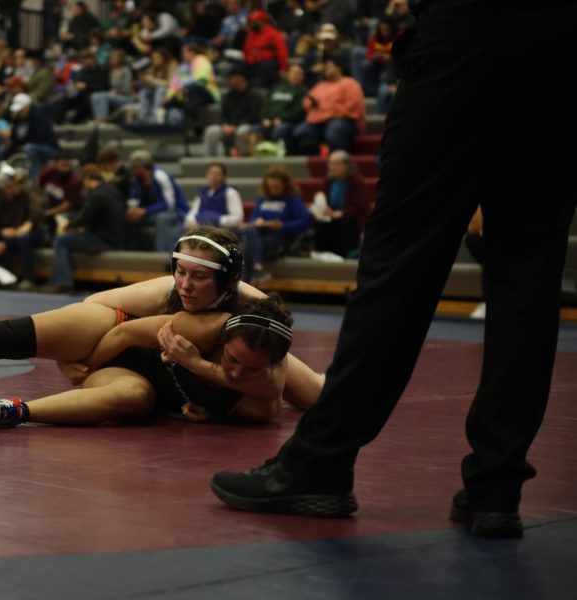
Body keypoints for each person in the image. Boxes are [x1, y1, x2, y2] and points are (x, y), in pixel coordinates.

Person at [209, 0, 577, 539]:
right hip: (564, 50)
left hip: (469, 39)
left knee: (401, 264)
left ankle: (320, 463)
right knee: (529, 274)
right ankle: (496, 488)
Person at [0, 226, 326, 412]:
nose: (185, 285)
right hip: (116, 335)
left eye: (199, 278)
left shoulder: (247, 310)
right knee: (9, 335)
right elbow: (106, 316)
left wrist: (205, 369)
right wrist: (73, 358)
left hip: (157, 368)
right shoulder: (159, 293)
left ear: (228, 282)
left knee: (315, 397)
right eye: (180, 272)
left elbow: (278, 390)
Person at [0, 294, 297, 430]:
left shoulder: (261, 403)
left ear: (272, 365)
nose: (237, 372)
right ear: (223, 341)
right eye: (232, 359)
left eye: (251, 369)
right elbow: (123, 334)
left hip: (156, 396)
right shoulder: (198, 328)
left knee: (144, 400)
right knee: (136, 396)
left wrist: (210, 405)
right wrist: (85, 367)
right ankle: (16, 410)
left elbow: (264, 394)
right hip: (127, 362)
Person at [44, 165, 126, 293]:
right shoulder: (111, 191)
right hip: (113, 237)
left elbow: (83, 219)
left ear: (87, 179)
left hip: (102, 239)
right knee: (65, 242)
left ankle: (63, 282)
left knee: (60, 241)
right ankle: (57, 281)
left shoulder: (96, 195)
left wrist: (68, 226)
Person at [239, 165, 312, 284]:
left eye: (276, 187)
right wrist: (256, 222)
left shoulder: (292, 199)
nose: (273, 189)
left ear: (284, 185)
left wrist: (283, 225)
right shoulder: (262, 198)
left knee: (246, 246)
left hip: (280, 237)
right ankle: (257, 269)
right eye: (271, 187)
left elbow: (304, 221)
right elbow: (253, 217)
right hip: (260, 235)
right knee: (250, 234)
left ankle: (246, 283)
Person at [290, 58, 365, 155]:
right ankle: (317, 159)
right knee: (301, 131)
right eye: (325, 68)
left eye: (329, 67)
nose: (326, 70)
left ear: (339, 68)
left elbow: (352, 105)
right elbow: (307, 102)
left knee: (334, 130)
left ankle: (340, 160)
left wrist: (327, 110)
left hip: (344, 121)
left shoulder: (350, 83)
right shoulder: (320, 85)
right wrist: (319, 107)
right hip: (318, 122)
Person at [311, 149, 371, 258]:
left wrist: (341, 213)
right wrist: (323, 208)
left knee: (345, 222)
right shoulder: (328, 181)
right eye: (330, 163)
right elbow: (321, 197)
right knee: (321, 222)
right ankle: (322, 253)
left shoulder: (357, 182)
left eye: (335, 164)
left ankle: (348, 253)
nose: (331, 167)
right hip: (331, 214)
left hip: (350, 217)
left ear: (347, 165)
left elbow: (360, 207)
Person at [125, 149, 189, 252]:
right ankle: (132, 253)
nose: (132, 170)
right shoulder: (135, 179)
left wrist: (145, 211)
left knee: (162, 218)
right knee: (130, 217)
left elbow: (169, 204)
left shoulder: (161, 176)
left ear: (142, 167)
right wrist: (133, 210)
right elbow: (134, 198)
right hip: (151, 212)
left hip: (175, 211)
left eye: (134, 168)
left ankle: (161, 255)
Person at [203, 64, 265, 158]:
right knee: (211, 131)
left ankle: (243, 161)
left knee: (242, 131)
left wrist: (235, 127)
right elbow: (223, 115)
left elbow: (255, 116)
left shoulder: (254, 94)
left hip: (248, 125)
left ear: (240, 78)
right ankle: (210, 161)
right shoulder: (229, 96)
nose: (229, 81)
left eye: (231, 78)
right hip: (229, 126)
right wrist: (224, 125)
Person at [4, 93, 59, 180]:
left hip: (48, 148)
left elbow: (40, 137)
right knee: (4, 151)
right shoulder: (17, 119)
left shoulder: (40, 117)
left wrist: (22, 145)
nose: (18, 112)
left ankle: (34, 179)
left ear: (27, 108)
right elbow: (16, 138)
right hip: (26, 147)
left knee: (29, 148)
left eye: (21, 110)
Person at [184, 163, 244, 232]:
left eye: (217, 174)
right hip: (200, 229)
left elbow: (238, 218)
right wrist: (192, 222)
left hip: (221, 231)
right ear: (206, 175)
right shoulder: (202, 192)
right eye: (211, 173)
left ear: (224, 177)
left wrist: (217, 221)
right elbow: (192, 213)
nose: (213, 176)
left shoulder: (231, 192)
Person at [243, 10, 288, 90]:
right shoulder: (250, 35)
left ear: (262, 21)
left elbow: (282, 51)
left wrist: (283, 69)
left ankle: (262, 89)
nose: (251, 23)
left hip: (267, 63)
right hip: (253, 63)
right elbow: (246, 51)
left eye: (254, 21)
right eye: (251, 21)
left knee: (267, 66)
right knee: (239, 66)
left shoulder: (274, 33)